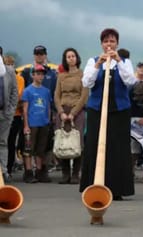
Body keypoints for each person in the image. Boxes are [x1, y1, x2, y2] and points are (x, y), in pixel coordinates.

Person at [80, 28, 136, 201]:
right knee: (94, 145)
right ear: (101, 44)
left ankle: (117, 188)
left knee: (118, 148)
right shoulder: (93, 61)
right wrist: (98, 65)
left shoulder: (125, 61)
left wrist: (118, 61)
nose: (109, 44)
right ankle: (93, 184)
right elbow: (86, 82)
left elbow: (130, 81)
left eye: (112, 41)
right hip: (97, 109)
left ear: (117, 44)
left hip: (119, 111)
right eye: (106, 41)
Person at [54, 48, 88, 184]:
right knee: (62, 140)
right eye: (68, 57)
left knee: (77, 142)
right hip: (62, 109)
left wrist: (73, 113)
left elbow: (84, 96)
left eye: (73, 56)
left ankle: (75, 174)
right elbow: (57, 95)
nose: (71, 58)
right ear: (65, 59)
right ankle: (65, 173)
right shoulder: (61, 76)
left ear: (77, 58)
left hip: (77, 110)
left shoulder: (82, 75)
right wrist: (61, 112)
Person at [22, 64, 52, 183]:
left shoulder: (46, 91)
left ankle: (40, 172)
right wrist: (26, 125)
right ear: (33, 75)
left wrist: (48, 120)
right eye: (37, 74)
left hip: (43, 123)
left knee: (41, 149)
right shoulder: (28, 90)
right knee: (29, 148)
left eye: (42, 74)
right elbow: (25, 109)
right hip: (32, 124)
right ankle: (28, 172)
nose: (40, 76)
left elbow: (48, 107)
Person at [4, 55, 24, 179]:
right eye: (7, 64)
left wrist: (10, 107)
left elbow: (18, 96)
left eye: (12, 64)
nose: (10, 66)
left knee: (11, 142)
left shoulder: (19, 79)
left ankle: (9, 168)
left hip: (14, 115)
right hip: (5, 113)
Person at [0, 52, 18, 182]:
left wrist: (10, 112)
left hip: (4, 112)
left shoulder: (9, 71)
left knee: (3, 142)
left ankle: (4, 171)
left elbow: (14, 92)